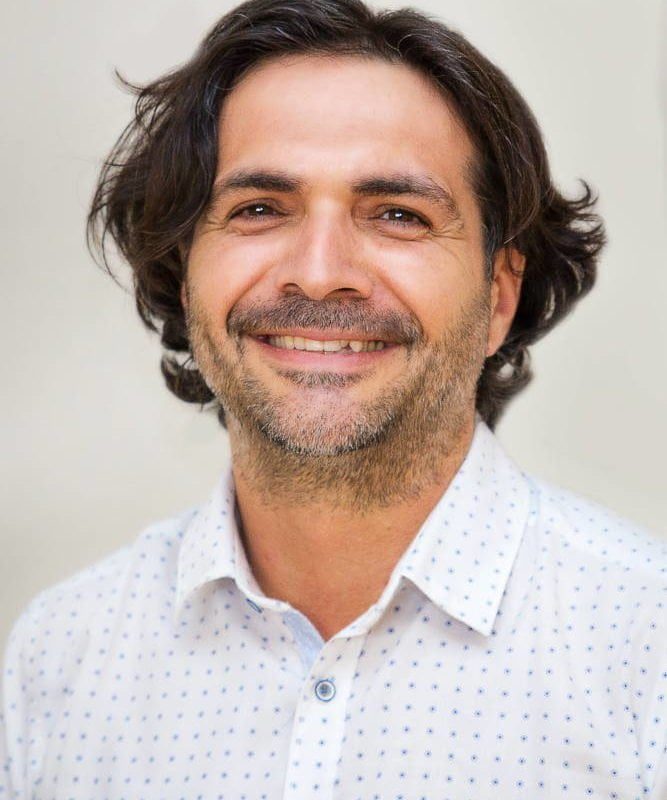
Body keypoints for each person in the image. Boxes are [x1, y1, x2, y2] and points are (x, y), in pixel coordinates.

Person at [1, 0, 664, 796]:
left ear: (498, 294)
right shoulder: (58, 661)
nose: (319, 274)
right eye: (258, 210)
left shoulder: (645, 653)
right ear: (182, 272)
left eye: (397, 215)